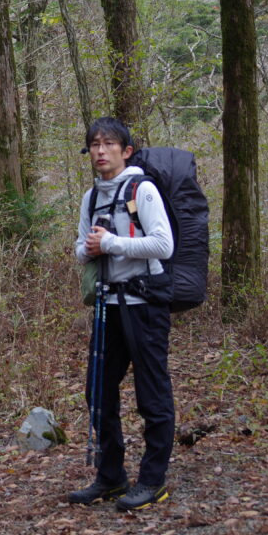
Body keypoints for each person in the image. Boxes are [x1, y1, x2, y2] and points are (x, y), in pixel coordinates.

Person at [70, 117, 176, 512]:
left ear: (125, 151)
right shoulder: (91, 197)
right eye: (94, 144)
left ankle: (153, 480)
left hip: (145, 306)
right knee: (98, 391)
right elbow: (81, 247)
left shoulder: (142, 190)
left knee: (152, 394)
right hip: (107, 306)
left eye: (108, 144)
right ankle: (111, 476)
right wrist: (92, 249)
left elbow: (163, 245)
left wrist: (112, 242)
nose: (100, 151)